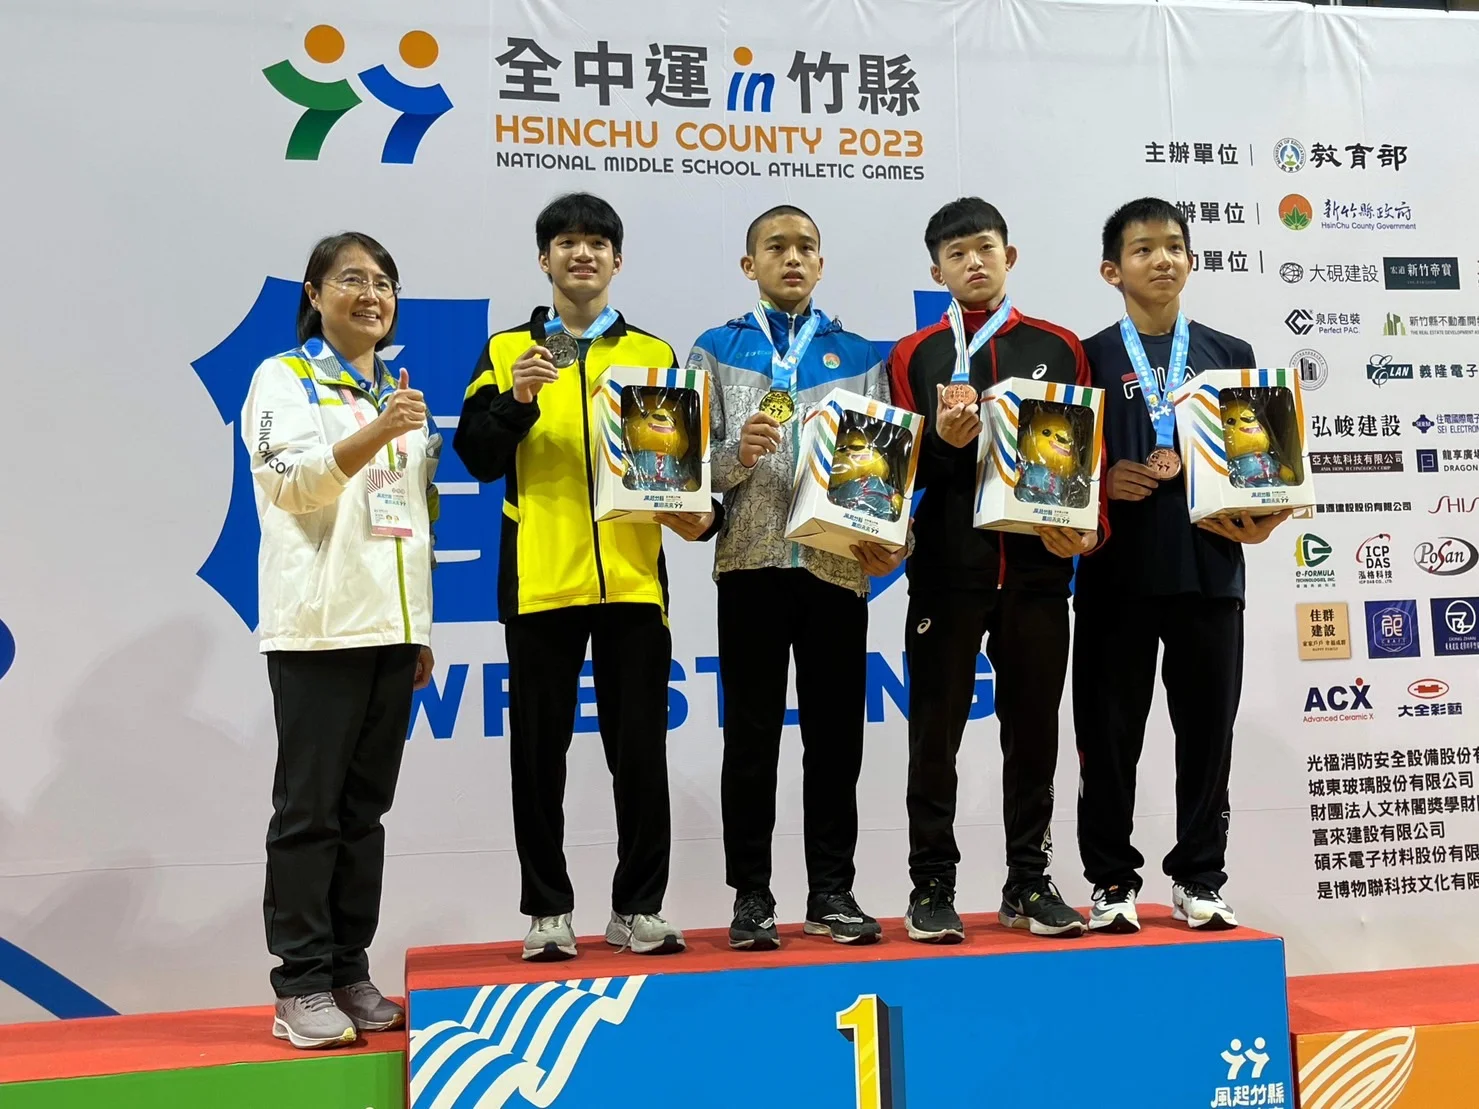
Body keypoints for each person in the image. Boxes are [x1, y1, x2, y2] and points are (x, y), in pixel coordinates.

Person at [453, 193, 718, 962]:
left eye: (597, 243)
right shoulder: (508, 350)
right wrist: (518, 399)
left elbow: (683, 471)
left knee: (639, 754)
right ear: (544, 259)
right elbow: (476, 457)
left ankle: (638, 906)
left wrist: (700, 515)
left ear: (616, 260)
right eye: (566, 242)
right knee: (538, 758)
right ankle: (547, 910)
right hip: (541, 580)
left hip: (633, 582)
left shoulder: (655, 352)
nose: (582, 253)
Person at [888, 197, 1106, 943]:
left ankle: (1029, 881)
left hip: (1038, 575)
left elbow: (1088, 456)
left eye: (983, 248)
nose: (972, 262)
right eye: (955, 254)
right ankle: (931, 884)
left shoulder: (1058, 346)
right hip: (947, 573)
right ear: (936, 272)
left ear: (1008, 256)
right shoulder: (913, 354)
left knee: (1034, 734)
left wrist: (1087, 533)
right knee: (933, 736)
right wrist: (944, 443)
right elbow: (897, 470)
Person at [688, 205, 905, 950]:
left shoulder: (860, 355)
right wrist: (735, 456)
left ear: (821, 263)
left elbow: (888, 471)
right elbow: (685, 468)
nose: (791, 257)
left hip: (835, 569)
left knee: (835, 740)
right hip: (749, 564)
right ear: (748, 264)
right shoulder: (715, 349)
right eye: (775, 246)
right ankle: (751, 895)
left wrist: (894, 539)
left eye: (805, 247)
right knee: (750, 739)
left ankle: (831, 891)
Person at [1073, 197, 1291, 934]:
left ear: (1191, 260)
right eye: (1142, 249)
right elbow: (1059, 471)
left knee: (1207, 736)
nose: (1161, 259)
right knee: (1108, 739)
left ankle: (1200, 878)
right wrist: (1102, 482)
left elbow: (1266, 468)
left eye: (1173, 246)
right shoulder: (1087, 358)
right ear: (1112, 270)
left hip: (1210, 572)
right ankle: (1111, 880)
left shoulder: (1230, 353)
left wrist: (1264, 516)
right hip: (1115, 574)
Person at [244, 232, 436, 1048]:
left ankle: (349, 968)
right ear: (315, 294)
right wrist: (376, 432)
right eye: (352, 278)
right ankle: (300, 983)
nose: (372, 293)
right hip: (318, 631)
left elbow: (412, 518)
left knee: (364, 814)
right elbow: (290, 484)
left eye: (385, 281)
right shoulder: (283, 378)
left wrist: (417, 629)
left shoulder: (395, 389)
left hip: (390, 631)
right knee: (310, 813)